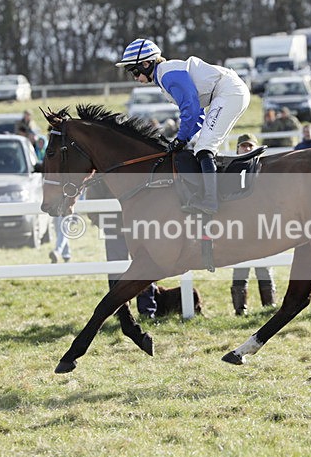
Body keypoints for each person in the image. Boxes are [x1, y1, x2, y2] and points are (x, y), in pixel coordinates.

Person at [116, 37, 250, 215]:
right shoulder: (164, 76)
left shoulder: (167, 75)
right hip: (227, 92)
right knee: (203, 146)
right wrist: (183, 139)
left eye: (134, 71)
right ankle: (211, 194)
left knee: (205, 147)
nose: (135, 77)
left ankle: (211, 202)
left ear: (146, 64)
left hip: (228, 91)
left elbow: (190, 108)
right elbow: (198, 114)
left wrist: (181, 138)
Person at [85, 179, 158, 317]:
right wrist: (107, 226)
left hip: (140, 229)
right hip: (115, 230)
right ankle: (121, 311)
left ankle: (147, 310)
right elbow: (92, 202)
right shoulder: (102, 176)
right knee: (116, 271)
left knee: (146, 268)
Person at [230, 133, 276, 314]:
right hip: (239, 224)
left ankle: (269, 306)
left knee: (264, 265)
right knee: (240, 266)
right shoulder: (231, 168)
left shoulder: (264, 168)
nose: (247, 149)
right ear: (238, 149)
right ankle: (240, 309)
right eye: (244, 146)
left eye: (250, 146)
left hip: (260, 223)